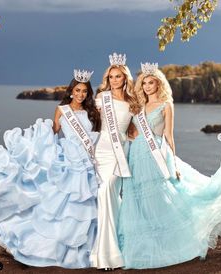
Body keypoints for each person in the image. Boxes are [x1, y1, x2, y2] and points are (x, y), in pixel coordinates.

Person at [117, 62, 221, 269]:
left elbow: (168, 136)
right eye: (145, 83)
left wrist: (174, 162)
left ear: (159, 84)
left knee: (161, 197)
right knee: (138, 201)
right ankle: (145, 244)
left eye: (152, 83)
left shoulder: (166, 105)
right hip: (136, 155)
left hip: (156, 155)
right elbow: (131, 132)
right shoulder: (138, 107)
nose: (148, 86)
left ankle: (169, 244)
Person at [0, 69, 101, 268]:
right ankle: (55, 248)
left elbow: (98, 136)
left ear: (88, 93)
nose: (81, 94)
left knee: (89, 204)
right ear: (71, 91)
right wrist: (37, 137)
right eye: (77, 90)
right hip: (68, 161)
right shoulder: (62, 109)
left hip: (88, 161)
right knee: (62, 203)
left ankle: (90, 248)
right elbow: (53, 133)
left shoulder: (93, 112)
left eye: (84, 91)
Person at [90, 53, 139, 270]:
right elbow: (90, 123)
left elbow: (135, 131)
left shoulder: (132, 102)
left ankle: (111, 251)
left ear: (125, 78)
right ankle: (108, 252)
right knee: (106, 198)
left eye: (118, 76)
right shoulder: (101, 99)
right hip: (100, 152)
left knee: (108, 191)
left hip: (120, 154)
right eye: (111, 77)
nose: (114, 80)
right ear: (107, 79)